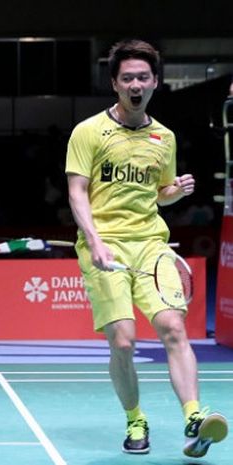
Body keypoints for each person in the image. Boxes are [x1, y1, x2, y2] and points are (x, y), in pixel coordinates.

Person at [65, 39, 228, 457]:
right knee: (123, 342)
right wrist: (97, 244)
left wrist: (174, 191)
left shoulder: (164, 138)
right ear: (115, 84)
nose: (135, 84)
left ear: (155, 82)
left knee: (174, 328)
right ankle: (135, 418)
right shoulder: (88, 132)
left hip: (151, 244)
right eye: (127, 78)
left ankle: (194, 417)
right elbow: (77, 193)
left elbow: (158, 195)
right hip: (105, 246)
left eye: (143, 77)